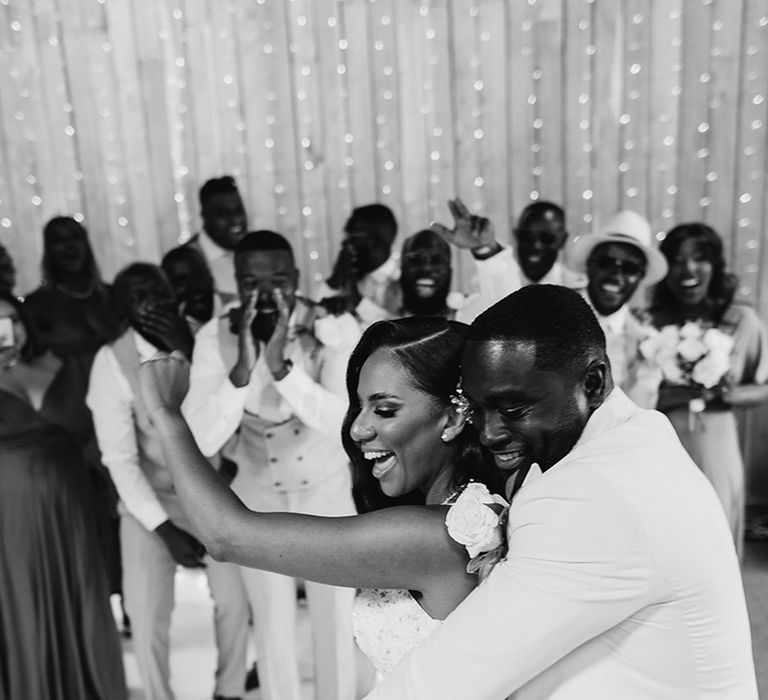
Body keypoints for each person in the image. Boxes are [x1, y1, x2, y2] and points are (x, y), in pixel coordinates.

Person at [366, 284, 757, 699]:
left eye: (513, 409)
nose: (489, 433)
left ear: (593, 382)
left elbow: (447, 678)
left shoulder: (595, 495)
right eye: (478, 410)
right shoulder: (636, 435)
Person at [139, 317, 503, 676]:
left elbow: (226, 536)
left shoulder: (438, 538)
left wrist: (166, 414)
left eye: (385, 410)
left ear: (454, 417)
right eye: (358, 407)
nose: (358, 429)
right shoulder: (467, 515)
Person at [182, 230, 365, 700]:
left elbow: (345, 423)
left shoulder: (334, 327)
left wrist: (282, 368)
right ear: (236, 283)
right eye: (250, 283)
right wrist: (243, 368)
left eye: (279, 280)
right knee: (272, 625)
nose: (264, 294)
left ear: (298, 278)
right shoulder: (213, 338)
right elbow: (201, 437)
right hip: (257, 499)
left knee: (335, 622)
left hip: (327, 496)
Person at [86, 263, 249, 700]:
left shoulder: (208, 337)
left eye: (157, 290)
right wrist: (164, 529)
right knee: (146, 612)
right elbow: (119, 460)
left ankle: (230, 691)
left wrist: (190, 352)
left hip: (211, 488)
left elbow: (235, 412)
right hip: (150, 496)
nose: (152, 303)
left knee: (236, 601)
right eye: (138, 297)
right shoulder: (111, 362)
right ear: (124, 309)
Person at [0, 291, 126, 700]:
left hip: (72, 504)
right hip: (9, 514)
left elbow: (95, 433)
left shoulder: (61, 362)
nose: (9, 332)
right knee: (22, 600)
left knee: (83, 594)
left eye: (13, 320)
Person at [649, 223, 768, 555]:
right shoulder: (649, 322)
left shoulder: (740, 320)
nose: (688, 268)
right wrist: (665, 397)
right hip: (662, 442)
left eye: (699, 258)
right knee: (665, 541)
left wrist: (723, 394)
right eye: (677, 259)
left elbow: (763, 389)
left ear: (715, 266)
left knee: (716, 542)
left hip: (716, 444)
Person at [566, 210, 668, 404]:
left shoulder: (645, 341)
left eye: (629, 268)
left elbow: (641, 411)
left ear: (640, 277)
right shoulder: (557, 313)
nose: (616, 275)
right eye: (606, 263)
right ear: (590, 265)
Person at [431, 198, 584, 309]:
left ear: (562, 240)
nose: (535, 246)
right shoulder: (484, 283)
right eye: (526, 237)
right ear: (515, 236)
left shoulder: (578, 291)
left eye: (546, 238)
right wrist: (484, 249)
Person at [24, 216, 119, 363]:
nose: (69, 246)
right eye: (58, 240)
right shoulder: (35, 306)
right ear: (48, 249)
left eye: (75, 237)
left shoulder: (113, 295)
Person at [317, 203, 401, 326]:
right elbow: (313, 318)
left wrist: (357, 301)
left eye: (353, 237)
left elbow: (402, 331)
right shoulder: (350, 278)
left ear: (375, 242)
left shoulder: (403, 281)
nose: (345, 243)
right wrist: (335, 280)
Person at [397, 229, 492, 323]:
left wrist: (484, 250)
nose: (426, 268)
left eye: (436, 260)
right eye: (415, 259)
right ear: (402, 267)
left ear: (449, 271)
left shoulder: (469, 320)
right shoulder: (384, 323)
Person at [185, 176, 248, 305]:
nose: (235, 221)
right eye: (223, 215)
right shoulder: (186, 262)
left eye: (238, 211)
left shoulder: (255, 248)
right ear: (204, 216)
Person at [161, 245, 217, 334]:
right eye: (181, 282)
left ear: (210, 276)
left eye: (197, 276)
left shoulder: (234, 308)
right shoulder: (172, 334)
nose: (193, 287)